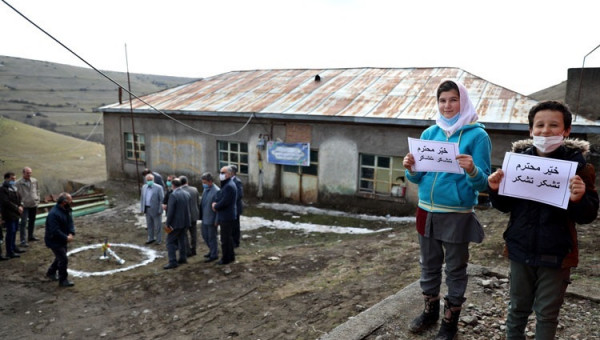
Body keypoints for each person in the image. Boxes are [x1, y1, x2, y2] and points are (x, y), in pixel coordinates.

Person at [487, 100, 598, 339]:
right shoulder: (517, 164)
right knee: (517, 309)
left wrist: (579, 199)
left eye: (553, 125)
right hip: (519, 249)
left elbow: (588, 216)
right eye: (539, 125)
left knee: (547, 314)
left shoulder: (579, 168)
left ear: (566, 131)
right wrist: (495, 189)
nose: (545, 131)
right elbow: (504, 207)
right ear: (530, 130)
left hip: (557, 254)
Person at [402, 80, 492, 340]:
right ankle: (430, 310)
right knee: (428, 265)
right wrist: (410, 168)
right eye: (442, 100)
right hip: (425, 210)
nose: (447, 105)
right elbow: (417, 179)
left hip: (456, 212)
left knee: (454, 268)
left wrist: (472, 169)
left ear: (463, 101)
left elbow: (484, 182)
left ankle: (450, 322)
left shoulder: (477, 136)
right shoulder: (430, 133)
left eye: (453, 99)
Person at [44, 192, 76, 287]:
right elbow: (55, 231)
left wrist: (71, 232)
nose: (71, 202)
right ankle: (63, 280)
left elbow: (70, 222)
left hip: (62, 239)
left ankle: (51, 272)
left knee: (60, 257)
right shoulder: (53, 214)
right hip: (54, 240)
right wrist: (66, 237)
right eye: (70, 200)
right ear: (64, 202)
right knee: (63, 259)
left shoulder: (66, 209)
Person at [212, 166, 238, 265]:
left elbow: (225, 201)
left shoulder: (229, 186)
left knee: (225, 239)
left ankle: (226, 258)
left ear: (229, 174)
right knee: (228, 238)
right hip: (227, 215)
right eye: (221, 172)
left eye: (223, 173)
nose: (221, 175)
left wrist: (216, 206)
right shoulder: (227, 184)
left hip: (227, 216)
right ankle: (230, 256)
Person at [164, 178, 191, 269]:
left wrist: (168, 223)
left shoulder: (173, 195)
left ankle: (172, 261)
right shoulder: (186, 194)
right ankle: (183, 258)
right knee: (182, 239)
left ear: (173, 185)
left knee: (170, 242)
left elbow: (170, 211)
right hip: (185, 221)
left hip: (175, 223)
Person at [0, 172, 25, 258]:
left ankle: (13, 247)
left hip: (16, 213)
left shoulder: (14, 188)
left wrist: (21, 205)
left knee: (14, 231)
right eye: (12, 179)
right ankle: (9, 251)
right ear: (6, 179)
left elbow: (19, 197)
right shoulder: (3, 189)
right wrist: (17, 208)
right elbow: (6, 202)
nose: (14, 180)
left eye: (14, 179)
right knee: (10, 232)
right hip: (9, 214)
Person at [16, 166, 40, 247]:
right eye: (27, 173)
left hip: (33, 204)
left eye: (30, 173)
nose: (29, 174)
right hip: (24, 205)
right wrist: (19, 204)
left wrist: (37, 199)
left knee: (32, 221)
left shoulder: (34, 180)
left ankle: (31, 236)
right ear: (23, 173)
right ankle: (23, 240)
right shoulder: (18, 183)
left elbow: (37, 190)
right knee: (23, 222)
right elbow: (16, 195)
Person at [199, 172, 220, 262]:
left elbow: (218, 208)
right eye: (203, 182)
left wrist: (217, 220)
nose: (203, 184)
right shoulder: (205, 190)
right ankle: (212, 250)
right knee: (205, 235)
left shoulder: (217, 191)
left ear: (210, 181)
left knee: (212, 237)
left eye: (205, 182)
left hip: (212, 219)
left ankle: (214, 254)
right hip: (204, 217)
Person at [140, 173, 164, 245]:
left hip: (156, 209)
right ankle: (151, 238)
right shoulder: (144, 187)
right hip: (147, 209)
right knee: (149, 225)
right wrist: (142, 208)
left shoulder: (159, 188)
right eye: (148, 180)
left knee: (158, 226)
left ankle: (158, 239)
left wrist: (160, 209)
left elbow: (162, 199)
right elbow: (142, 198)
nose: (149, 181)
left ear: (153, 180)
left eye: (151, 180)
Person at [179, 176, 200, 257]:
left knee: (184, 234)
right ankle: (194, 249)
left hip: (184, 216)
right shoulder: (194, 189)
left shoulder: (180, 191)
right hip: (194, 215)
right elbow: (197, 202)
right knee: (193, 233)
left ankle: (188, 251)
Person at [230, 165, 244, 248]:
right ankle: (232, 240)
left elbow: (240, 194)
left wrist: (230, 200)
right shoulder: (228, 181)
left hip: (235, 207)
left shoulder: (237, 181)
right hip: (231, 208)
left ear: (233, 173)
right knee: (231, 225)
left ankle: (236, 242)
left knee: (235, 225)